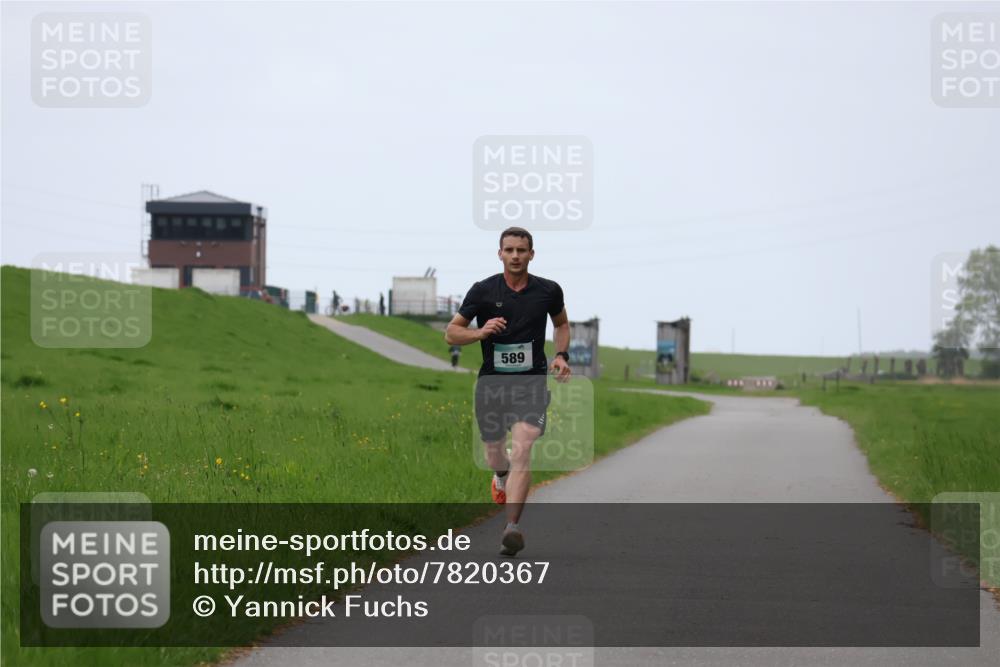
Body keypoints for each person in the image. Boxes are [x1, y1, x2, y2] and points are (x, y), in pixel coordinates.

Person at [444, 226, 571, 556]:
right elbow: (451, 333)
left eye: (522, 250)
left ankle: (511, 527)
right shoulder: (483, 291)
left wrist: (560, 355)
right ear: (500, 253)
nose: (516, 256)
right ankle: (500, 476)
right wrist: (481, 332)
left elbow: (560, 323)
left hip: (531, 383)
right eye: (509, 250)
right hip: (492, 385)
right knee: (495, 455)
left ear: (532, 254)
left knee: (524, 446)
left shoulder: (548, 290)